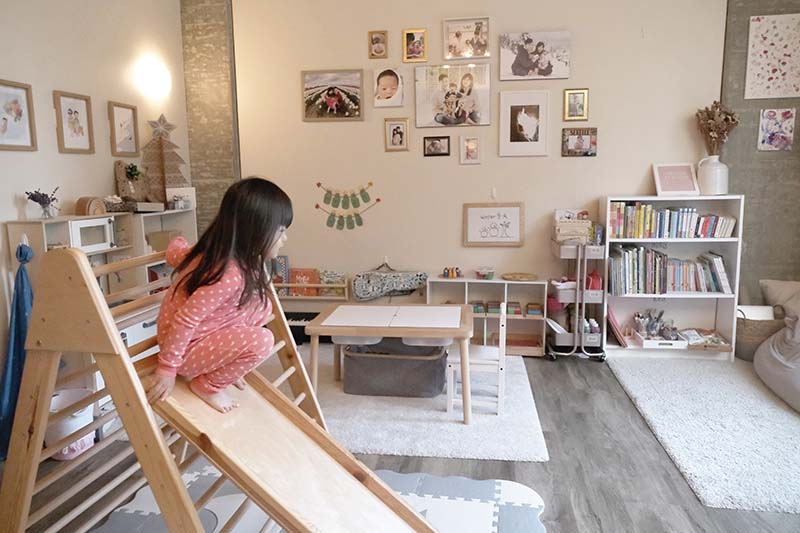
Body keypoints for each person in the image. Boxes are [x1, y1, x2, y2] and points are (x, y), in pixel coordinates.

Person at [144, 178, 291, 413]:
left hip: (205, 334)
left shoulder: (221, 254)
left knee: (261, 305)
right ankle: (207, 385)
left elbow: (177, 252)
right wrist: (167, 369)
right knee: (263, 340)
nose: (285, 239)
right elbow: (186, 319)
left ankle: (224, 369)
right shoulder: (228, 273)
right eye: (281, 231)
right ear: (256, 230)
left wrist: (233, 365)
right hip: (186, 348)